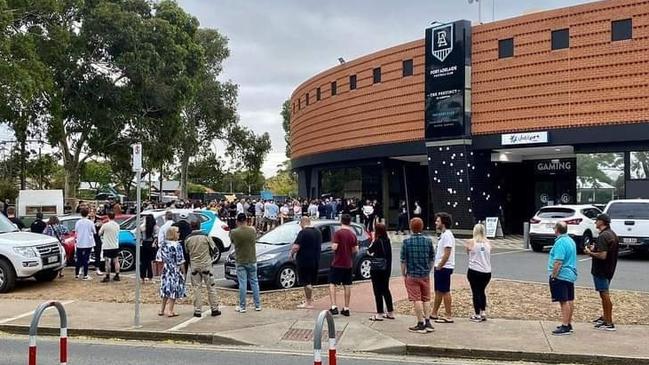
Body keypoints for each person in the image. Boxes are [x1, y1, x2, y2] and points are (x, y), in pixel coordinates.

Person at [584, 213, 619, 331]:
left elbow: (603, 255)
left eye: (597, 220)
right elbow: (606, 251)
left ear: (602, 222)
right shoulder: (612, 234)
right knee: (604, 294)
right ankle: (605, 317)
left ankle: (609, 322)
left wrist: (590, 253)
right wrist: (595, 248)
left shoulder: (603, 236)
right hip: (610, 269)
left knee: (604, 295)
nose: (595, 223)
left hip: (601, 270)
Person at [401, 218, 435, 333]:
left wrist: (404, 274)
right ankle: (428, 321)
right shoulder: (428, 241)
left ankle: (420, 323)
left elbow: (403, 260)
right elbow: (431, 258)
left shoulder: (406, 242)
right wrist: (428, 270)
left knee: (417, 299)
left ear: (411, 227)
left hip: (412, 274)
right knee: (426, 298)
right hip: (425, 274)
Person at [185, 220, 221, 318]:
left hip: (194, 265)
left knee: (197, 288)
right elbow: (214, 249)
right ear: (199, 225)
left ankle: (197, 310)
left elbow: (187, 252)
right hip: (206, 264)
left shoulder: (188, 239)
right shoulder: (206, 236)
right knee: (211, 287)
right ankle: (214, 308)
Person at [548, 221, 578, 336]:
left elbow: (558, 261)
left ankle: (565, 325)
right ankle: (568, 323)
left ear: (557, 230)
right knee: (570, 299)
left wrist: (554, 276)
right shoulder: (570, 240)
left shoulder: (560, 243)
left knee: (563, 301)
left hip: (562, 275)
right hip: (570, 274)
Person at [328, 214, 358, 317]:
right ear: (350, 222)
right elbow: (355, 250)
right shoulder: (352, 235)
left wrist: (332, 246)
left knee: (332, 284)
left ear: (341, 221)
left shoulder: (338, 233)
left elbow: (335, 247)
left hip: (337, 263)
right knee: (347, 285)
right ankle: (346, 308)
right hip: (348, 263)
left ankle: (333, 306)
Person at [230, 213, 261, 312]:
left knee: (242, 283)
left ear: (237, 221)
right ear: (246, 220)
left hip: (240, 260)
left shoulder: (234, 232)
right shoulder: (252, 230)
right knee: (254, 282)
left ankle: (242, 306)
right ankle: (257, 305)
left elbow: (232, 241)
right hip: (252, 259)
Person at [291, 217, 322, 309]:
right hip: (315, 259)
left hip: (304, 260)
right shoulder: (318, 232)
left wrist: (291, 254)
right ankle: (309, 300)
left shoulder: (303, 232)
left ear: (302, 223)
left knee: (306, 282)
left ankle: (308, 302)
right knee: (311, 281)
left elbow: (296, 247)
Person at [431, 212, 456, 323]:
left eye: (438, 221)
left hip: (444, 267)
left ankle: (448, 315)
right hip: (440, 267)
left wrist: (440, 265)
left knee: (445, 290)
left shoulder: (447, 235)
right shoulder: (443, 235)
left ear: (443, 223)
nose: (436, 223)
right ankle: (434, 313)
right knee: (438, 291)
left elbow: (447, 252)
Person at [464, 223, 492, 322]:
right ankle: (483, 311)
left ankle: (477, 313)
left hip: (474, 270)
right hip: (486, 271)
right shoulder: (488, 242)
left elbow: (467, 252)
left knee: (475, 291)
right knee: (482, 291)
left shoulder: (470, 242)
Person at [368, 223, 394, 321]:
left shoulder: (377, 241)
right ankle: (390, 311)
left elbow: (369, 251)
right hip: (386, 269)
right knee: (386, 290)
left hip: (377, 269)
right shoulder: (387, 241)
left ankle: (379, 313)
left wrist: (373, 240)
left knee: (377, 291)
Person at [159, 227, 187, 317]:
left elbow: (159, 257)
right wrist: (183, 272)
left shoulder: (164, 244)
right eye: (178, 232)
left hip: (166, 268)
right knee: (173, 290)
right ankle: (170, 310)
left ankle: (162, 310)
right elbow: (180, 260)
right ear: (174, 234)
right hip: (175, 269)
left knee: (165, 289)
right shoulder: (177, 245)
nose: (179, 233)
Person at [74, 208, 96, 280]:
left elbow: (76, 230)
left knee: (79, 258)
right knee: (86, 259)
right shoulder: (90, 222)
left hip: (80, 242)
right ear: (87, 214)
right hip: (88, 242)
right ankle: (85, 275)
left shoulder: (78, 222)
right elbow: (94, 231)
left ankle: (77, 274)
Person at [99, 212, 121, 282]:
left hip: (107, 245)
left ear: (108, 217)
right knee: (116, 261)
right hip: (115, 245)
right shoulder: (117, 225)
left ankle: (107, 275)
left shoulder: (105, 225)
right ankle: (117, 275)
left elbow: (99, 233)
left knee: (107, 261)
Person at [140, 215, 159, 282]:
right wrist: (154, 243)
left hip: (143, 244)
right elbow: (156, 236)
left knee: (143, 262)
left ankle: (142, 278)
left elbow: (139, 236)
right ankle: (150, 277)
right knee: (150, 262)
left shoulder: (142, 227)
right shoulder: (155, 227)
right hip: (151, 244)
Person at [89, 208, 104, 275]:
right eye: (90, 212)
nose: (91, 213)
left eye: (93, 212)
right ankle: (83, 268)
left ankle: (97, 268)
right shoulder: (87, 219)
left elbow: (101, 227)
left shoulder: (99, 219)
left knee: (97, 253)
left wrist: (100, 225)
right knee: (86, 253)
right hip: (89, 238)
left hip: (97, 238)